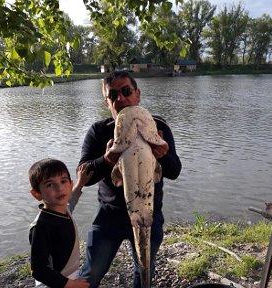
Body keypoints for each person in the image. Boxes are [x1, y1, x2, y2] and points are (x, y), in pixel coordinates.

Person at [78, 71, 182, 287]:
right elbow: (84, 175)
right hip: (109, 218)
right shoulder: (98, 131)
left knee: (144, 270)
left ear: (138, 94)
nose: (121, 99)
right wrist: (107, 160)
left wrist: (162, 154)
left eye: (126, 91)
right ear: (107, 103)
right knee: (91, 272)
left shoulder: (158, 126)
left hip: (148, 215)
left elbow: (174, 171)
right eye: (113, 95)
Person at [29, 158, 93, 288]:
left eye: (63, 181)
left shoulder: (64, 209)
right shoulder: (41, 227)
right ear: (37, 194)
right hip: (53, 282)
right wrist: (70, 284)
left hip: (69, 276)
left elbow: (72, 201)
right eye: (50, 184)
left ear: (70, 184)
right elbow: (39, 270)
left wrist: (80, 183)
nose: (59, 188)